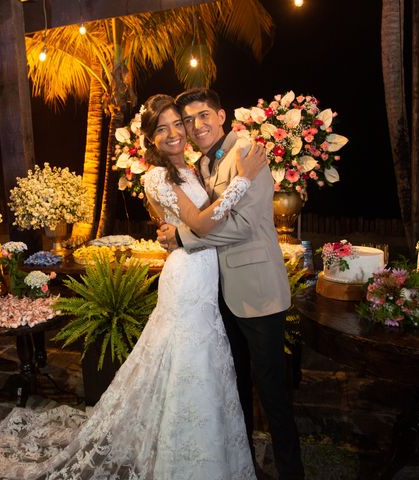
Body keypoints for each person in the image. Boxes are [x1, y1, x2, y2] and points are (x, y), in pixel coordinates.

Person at [0, 94, 266, 480]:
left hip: (203, 275)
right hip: (188, 278)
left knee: (203, 361)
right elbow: (202, 222)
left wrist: (187, 224)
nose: (175, 133)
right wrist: (243, 179)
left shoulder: (195, 168)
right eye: (163, 129)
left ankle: (204, 448)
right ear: (151, 140)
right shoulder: (158, 177)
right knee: (187, 360)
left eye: (179, 124)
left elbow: (196, 224)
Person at [157, 87, 304, 480]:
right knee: (234, 385)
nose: (195, 125)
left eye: (203, 115)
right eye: (188, 120)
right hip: (219, 292)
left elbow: (243, 225)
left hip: (258, 293)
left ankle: (292, 473)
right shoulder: (205, 164)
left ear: (222, 116)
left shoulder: (245, 152)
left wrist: (184, 236)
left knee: (273, 393)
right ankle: (244, 465)